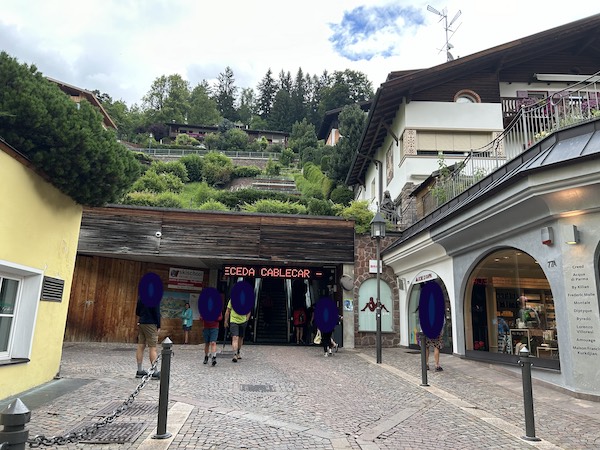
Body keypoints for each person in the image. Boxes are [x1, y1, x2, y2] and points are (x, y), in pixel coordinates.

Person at [135, 296, 161, 379]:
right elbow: (156, 312)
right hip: (151, 323)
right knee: (153, 348)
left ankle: (139, 370)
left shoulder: (141, 297)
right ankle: (155, 372)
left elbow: (137, 312)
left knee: (140, 346)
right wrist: (159, 325)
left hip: (142, 322)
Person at [223, 297, 251, 363]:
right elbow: (228, 310)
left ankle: (238, 351)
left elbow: (249, 311)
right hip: (233, 321)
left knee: (240, 338)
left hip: (243, 321)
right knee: (235, 337)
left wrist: (246, 320)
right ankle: (234, 354)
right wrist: (225, 321)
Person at [291, 280, 307, 344]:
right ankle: (300, 339)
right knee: (301, 329)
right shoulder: (302, 309)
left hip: (296, 320)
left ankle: (297, 340)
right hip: (301, 320)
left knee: (297, 329)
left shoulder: (295, 310)